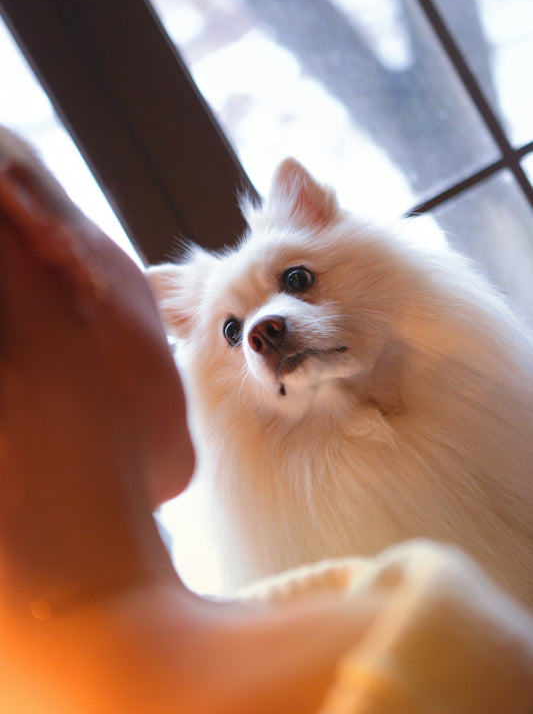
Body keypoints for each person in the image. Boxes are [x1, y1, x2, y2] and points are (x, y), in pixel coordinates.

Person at [0, 126, 532, 714]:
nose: (263, 329)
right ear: (35, 226)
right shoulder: (431, 647)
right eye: (231, 332)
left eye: (297, 281)